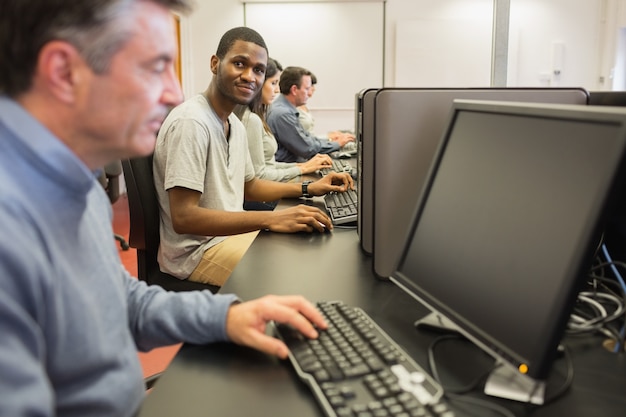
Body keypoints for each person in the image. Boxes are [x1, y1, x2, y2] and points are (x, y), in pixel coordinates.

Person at [0, 2, 327, 416]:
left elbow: (121, 302)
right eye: (153, 67)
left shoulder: (77, 186)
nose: (173, 92)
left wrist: (225, 317)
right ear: (64, 71)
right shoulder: (11, 224)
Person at [153, 27, 354, 287]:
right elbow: (185, 217)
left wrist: (309, 187)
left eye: (259, 70)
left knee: (309, 251)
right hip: (196, 253)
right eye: (239, 64)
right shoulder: (192, 122)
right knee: (295, 275)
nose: (250, 76)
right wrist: (272, 218)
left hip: (228, 237)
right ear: (215, 63)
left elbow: (250, 186)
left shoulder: (233, 123)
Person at [234, 58, 332, 185]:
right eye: (273, 83)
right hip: (264, 194)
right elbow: (260, 176)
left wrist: (303, 166)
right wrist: (302, 168)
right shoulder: (253, 120)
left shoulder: (259, 114)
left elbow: (269, 165)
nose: (277, 90)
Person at [267, 66, 354, 163]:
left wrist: (331, 142)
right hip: (288, 169)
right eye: (307, 89)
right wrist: (337, 144)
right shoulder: (283, 114)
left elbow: (308, 139)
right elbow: (307, 148)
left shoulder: (285, 109)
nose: (309, 94)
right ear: (294, 90)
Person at [297, 72, 355, 144]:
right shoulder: (293, 109)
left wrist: (329, 137)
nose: (314, 88)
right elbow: (303, 140)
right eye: (310, 85)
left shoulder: (304, 106)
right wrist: (329, 138)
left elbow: (310, 136)